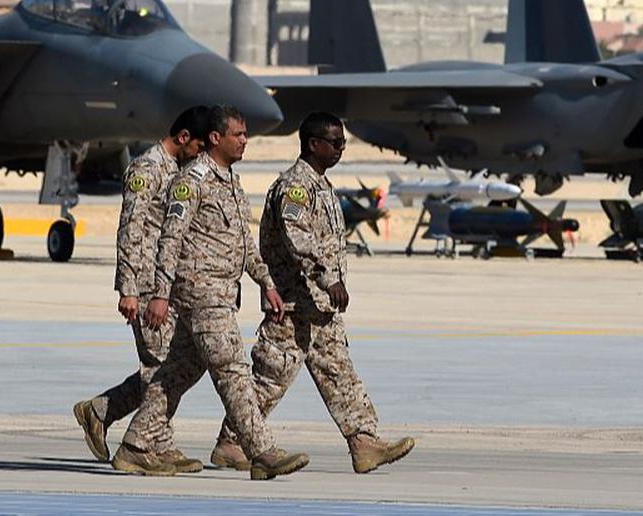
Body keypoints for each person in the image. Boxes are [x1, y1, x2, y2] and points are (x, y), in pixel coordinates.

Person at [210, 112, 415, 474]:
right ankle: (232, 442)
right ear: (313, 144)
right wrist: (328, 278)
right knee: (271, 378)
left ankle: (363, 442)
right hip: (293, 303)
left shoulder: (321, 186)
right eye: (335, 142)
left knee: (338, 372)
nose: (341, 148)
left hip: (317, 306)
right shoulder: (295, 187)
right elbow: (298, 239)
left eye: (343, 142)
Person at [113, 105, 310, 480]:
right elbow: (169, 237)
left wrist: (266, 282)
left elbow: (242, 242)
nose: (245, 141)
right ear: (216, 138)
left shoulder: (231, 182)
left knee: (178, 371)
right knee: (233, 371)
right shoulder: (192, 181)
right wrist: (159, 293)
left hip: (221, 292)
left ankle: (136, 445)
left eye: (246, 134)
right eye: (239, 134)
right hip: (201, 294)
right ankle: (262, 451)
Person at [72, 105, 210, 473]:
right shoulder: (146, 170)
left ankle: (103, 410)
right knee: (161, 366)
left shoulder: (179, 172)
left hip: (168, 284)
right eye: (198, 147)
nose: (200, 156)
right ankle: (152, 445)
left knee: (180, 363)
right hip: (147, 284)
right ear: (183, 138)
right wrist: (128, 289)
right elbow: (130, 229)